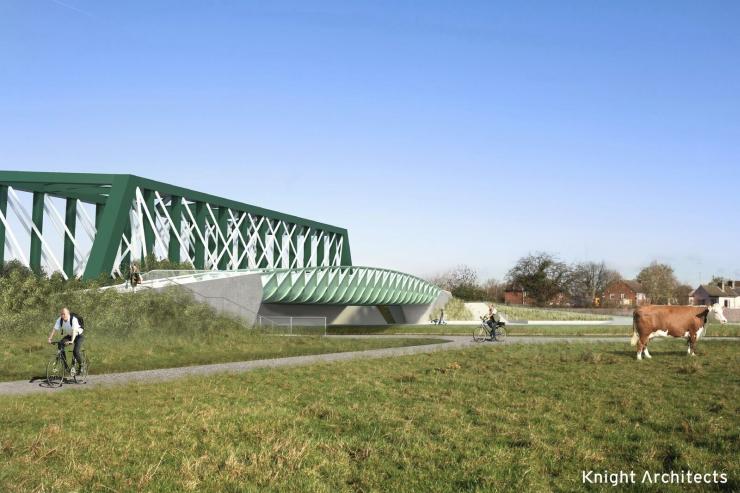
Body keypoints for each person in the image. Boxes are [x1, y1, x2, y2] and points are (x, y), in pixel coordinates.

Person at [47, 308, 84, 373]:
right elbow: (54, 329)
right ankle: (66, 367)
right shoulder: (59, 320)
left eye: (64, 314)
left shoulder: (73, 319)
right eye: (61, 314)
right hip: (70, 335)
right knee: (60, 344)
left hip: (78, 336)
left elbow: (74, 330)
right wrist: (50, 338)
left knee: (75, 352)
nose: (63, 315)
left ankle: (81, 366)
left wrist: (72, 341)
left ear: (68, 314)